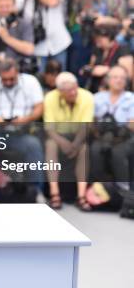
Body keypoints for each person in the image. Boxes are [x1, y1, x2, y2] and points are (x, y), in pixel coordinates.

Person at [0, 58, 45, 194]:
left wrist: (26, 119)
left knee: (33, 145)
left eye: (11, 79)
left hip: (22, 131)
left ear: (18, 73)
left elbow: (39, 108)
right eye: (4, 80)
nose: (8, 82)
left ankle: (36, 190)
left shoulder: (31, 82)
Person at [43, 72, 94, 211]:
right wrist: (63, 143)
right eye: (68, 91)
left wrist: (76, 144)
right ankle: (54, 193)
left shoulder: (87, 97)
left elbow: (86, 126)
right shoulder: (50, 98)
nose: (72, 93)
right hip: (58, 136)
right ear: (60, 92)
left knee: (84, 149)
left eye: (74, 88)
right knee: (50, 145)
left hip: (79, 135)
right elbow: (49, 128)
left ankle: (81, 195)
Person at [16, 0, 72, 72]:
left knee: (60, 76)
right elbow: (13, 10)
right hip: (37, 46)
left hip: (58, 43)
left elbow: (52, 2)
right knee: (40, 77)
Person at [90, 65, 134, 183]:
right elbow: (91, 121)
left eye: (122, 78)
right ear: (108, 80)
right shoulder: (97, 98)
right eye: (115, 77)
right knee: (95, 150)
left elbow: (132, 124)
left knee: (118, 152)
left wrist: (118, 131)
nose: (119, 80)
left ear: (126, 81)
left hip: (124, 136)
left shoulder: (131, 98)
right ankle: (98, 189)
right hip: (101, 135)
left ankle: (123, 190)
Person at [80, 25, 133, 93]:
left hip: (115, 90)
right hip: (95, 89)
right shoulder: (98, 49)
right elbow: (91, 65)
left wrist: (107, 70)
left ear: (109, 38)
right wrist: (89, 70)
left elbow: (128, 74)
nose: (97, 41)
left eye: (100, 39)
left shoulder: (123, 50)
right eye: (96, 39)